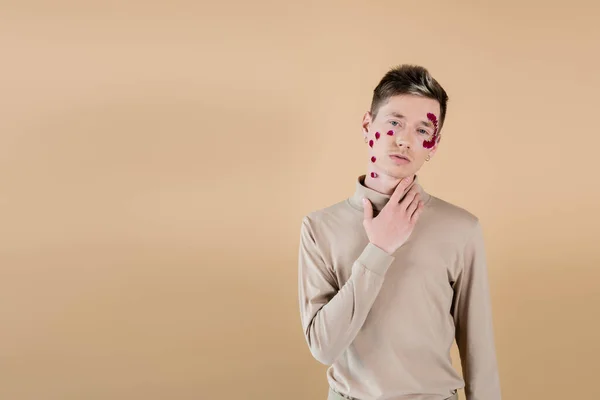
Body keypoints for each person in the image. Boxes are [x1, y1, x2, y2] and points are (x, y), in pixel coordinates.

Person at [297, 65, 501, 400]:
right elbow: (323, 347)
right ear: (367, 125)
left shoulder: (461, 228)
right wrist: (379, 249)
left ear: (433, 146)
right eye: (394, 122)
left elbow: (479, 350)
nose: (405, 139)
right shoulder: (320, 228)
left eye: (423, 129)